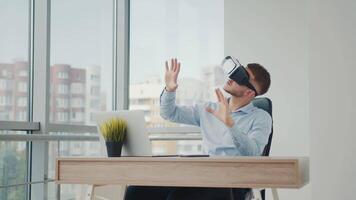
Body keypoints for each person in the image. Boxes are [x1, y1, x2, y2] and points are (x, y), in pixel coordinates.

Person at [125, 57, 272, 200]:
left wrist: (230, 124)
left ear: (249, 93)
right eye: (237, 71)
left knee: (178, 197)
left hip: (232, 184)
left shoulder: (261, 117)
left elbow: (254, 153)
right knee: (137, 190)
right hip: (200, 176)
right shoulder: (210, 109)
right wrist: (169, 89)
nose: (232, 77)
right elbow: (170, 113)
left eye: (241, 76)